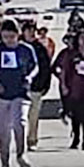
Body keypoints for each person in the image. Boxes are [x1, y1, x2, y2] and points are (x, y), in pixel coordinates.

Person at [0, 18, 37, 167]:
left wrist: (29, 77)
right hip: (0, 95)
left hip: (20, 92)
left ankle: (21, 154)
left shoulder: (26, 50)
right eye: (5, 37)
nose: (8, 40)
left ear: (17, 35)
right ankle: (4, 165)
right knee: (2, 132)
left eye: (11, 37)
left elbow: (35, 67)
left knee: (20, 122)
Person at [58, 29, 84, 150]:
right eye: (82, 38)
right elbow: (64, 71)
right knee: (76, 115)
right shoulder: (71, 54)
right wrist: (64, 86)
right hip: (74, 89)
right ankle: (76, 138)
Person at [25, 21, 57, 150]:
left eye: (33, 30)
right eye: (28, 30)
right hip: (20, 88)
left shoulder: (39, 48)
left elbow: (46, 68)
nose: (31, 32)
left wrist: (45, 85)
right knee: (20, 117)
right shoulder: (19, 47)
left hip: (36, 87)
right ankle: (20, 139)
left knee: (33, 116)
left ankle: (32, 140)